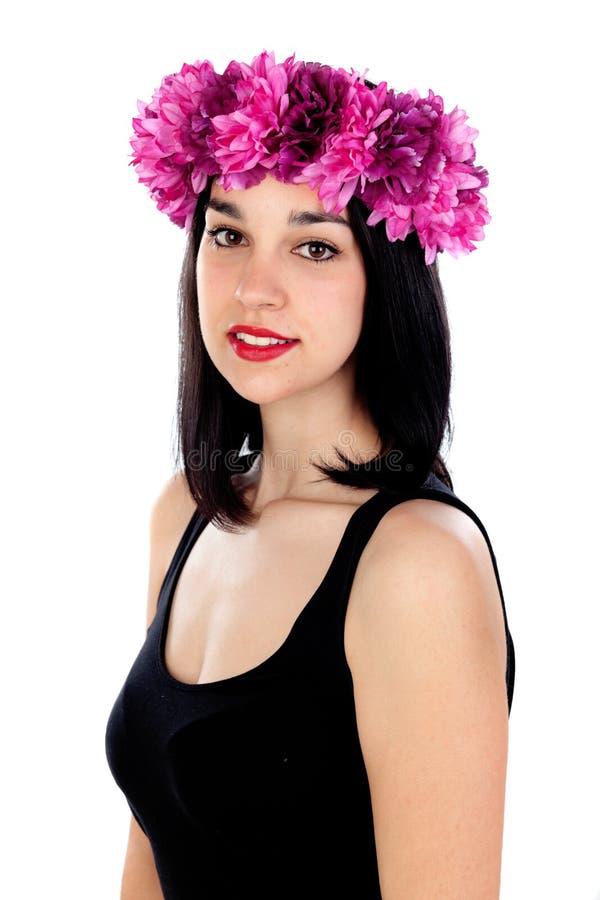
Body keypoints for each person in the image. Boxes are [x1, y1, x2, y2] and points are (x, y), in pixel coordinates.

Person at [105, 50, 515, 900]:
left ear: (387, 277)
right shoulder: (185, 512)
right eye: (229, 235)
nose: (256, 289)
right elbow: (151, 858)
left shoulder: (415, 565)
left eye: (315, 249)